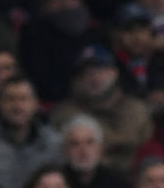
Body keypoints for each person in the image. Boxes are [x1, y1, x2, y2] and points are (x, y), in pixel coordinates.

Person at [50, 45, 152, 178]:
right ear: (78, 79)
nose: (94, 76)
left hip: (132, 180)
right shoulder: (66, 111)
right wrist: (124, 144)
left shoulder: (135, 108)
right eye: (86, 72)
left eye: (101, 69)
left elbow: (147, 148)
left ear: (115, 73)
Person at [0, 75, 64, 188]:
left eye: (24, 99)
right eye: (10, 99)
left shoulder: (54, 144)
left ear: (36, 104)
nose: (17, 106)